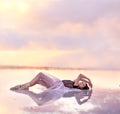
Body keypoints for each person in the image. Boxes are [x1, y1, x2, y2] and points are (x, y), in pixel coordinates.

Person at [10, 72, 93, 91]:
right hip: (55, 85)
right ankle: (22, 86)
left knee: (40, 74)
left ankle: (24, 86)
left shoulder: (75, 85)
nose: (81, 82)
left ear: (81, 88)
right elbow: (80, 78)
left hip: (57, 84)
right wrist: (86, 82)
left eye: (83, 84)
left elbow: (80, 75)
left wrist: (89, 80)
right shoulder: (75, 83)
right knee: (38, 81)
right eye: (82, 82)